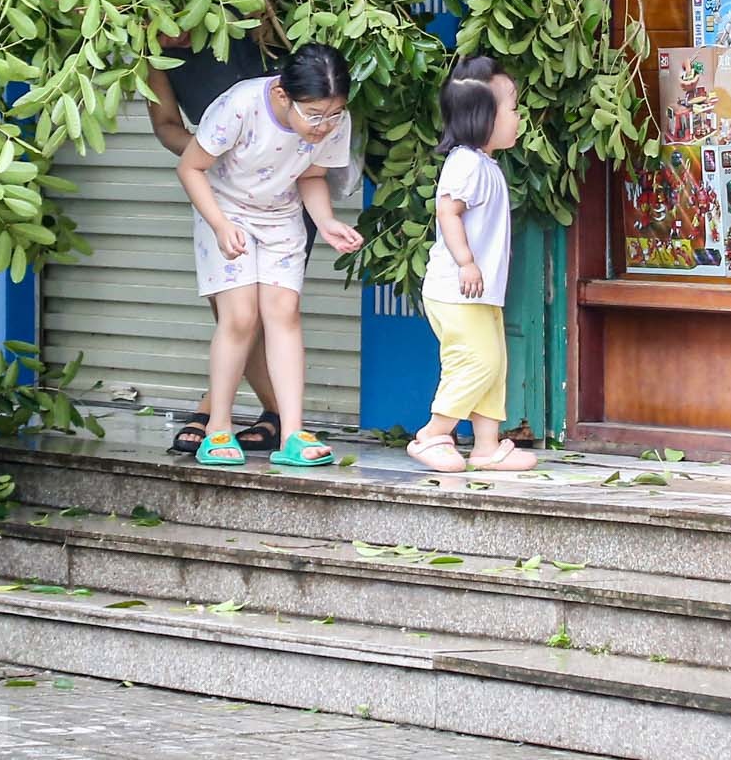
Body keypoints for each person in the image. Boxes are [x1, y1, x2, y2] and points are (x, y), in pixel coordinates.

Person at [177, 44, 364, 468]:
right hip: (225, 210)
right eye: (314, 115)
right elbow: (190, 167)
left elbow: (313, 175)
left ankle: (293, 433)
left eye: (333, 114)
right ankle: (218, 429)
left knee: (285, 311)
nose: (324, 125)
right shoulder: (241, 105)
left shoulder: (335, 121)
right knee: (240, 316)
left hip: (281, 215)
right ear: (283, 95)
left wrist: (328, 221)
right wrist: (221, 226)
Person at [146, 32, 285, 456]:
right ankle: (277, 414)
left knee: (265, 308)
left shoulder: (246, 19)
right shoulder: (155, 55)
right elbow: (167, 126)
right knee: (234, 311)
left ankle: (214, 411)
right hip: (218, 187)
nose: (174, 30)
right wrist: (214, 150)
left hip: (280, 183)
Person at [405, 58, 538, 473]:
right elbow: (448, 212)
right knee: (476, 361)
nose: (518, 117)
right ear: (484, 117)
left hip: (477, 292)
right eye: (513, 108)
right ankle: (432, 434)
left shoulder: (484, 164)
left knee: (494, 361)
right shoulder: (465, 164)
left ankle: (485, 445)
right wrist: (466, 262)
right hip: (456, 290)